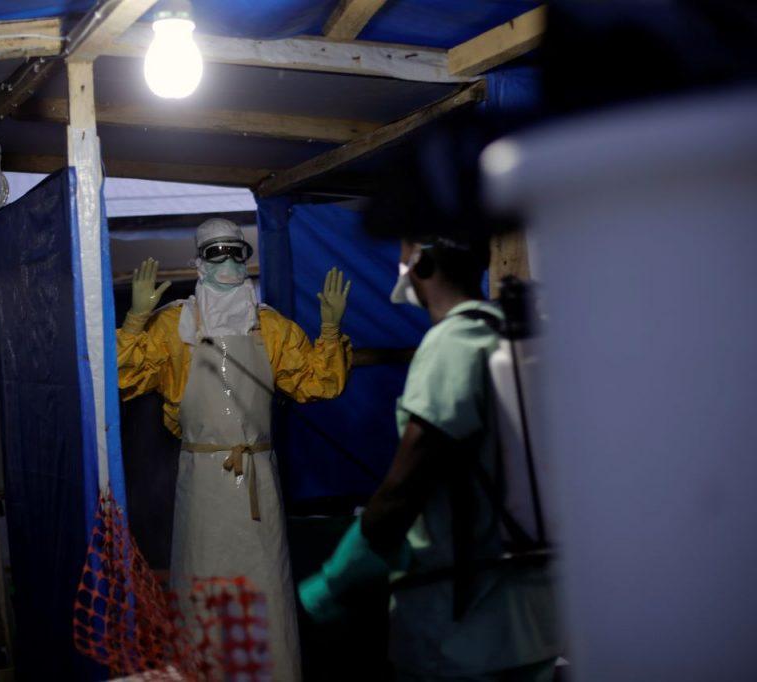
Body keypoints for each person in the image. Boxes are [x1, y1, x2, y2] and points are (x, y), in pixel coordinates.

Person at [299, 233, 561, 681]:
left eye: (403, 248)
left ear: (418, 260)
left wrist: (330, 586)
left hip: (461, 627)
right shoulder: (513, 336)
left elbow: (404, 490)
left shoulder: (450, 345)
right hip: (535, 622)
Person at [117, 218, 352, 681]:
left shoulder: (271, 327)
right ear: (198, 261)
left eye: (236, 252)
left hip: (257, 482)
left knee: (265, 584)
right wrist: (136, 319)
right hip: (202, 479)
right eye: (215, 252)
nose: (226, 262)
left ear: (248, 258)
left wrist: (329, 332)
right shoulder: (173, 325)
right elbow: (126, 376)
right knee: (204, 584)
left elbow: (316, 383)